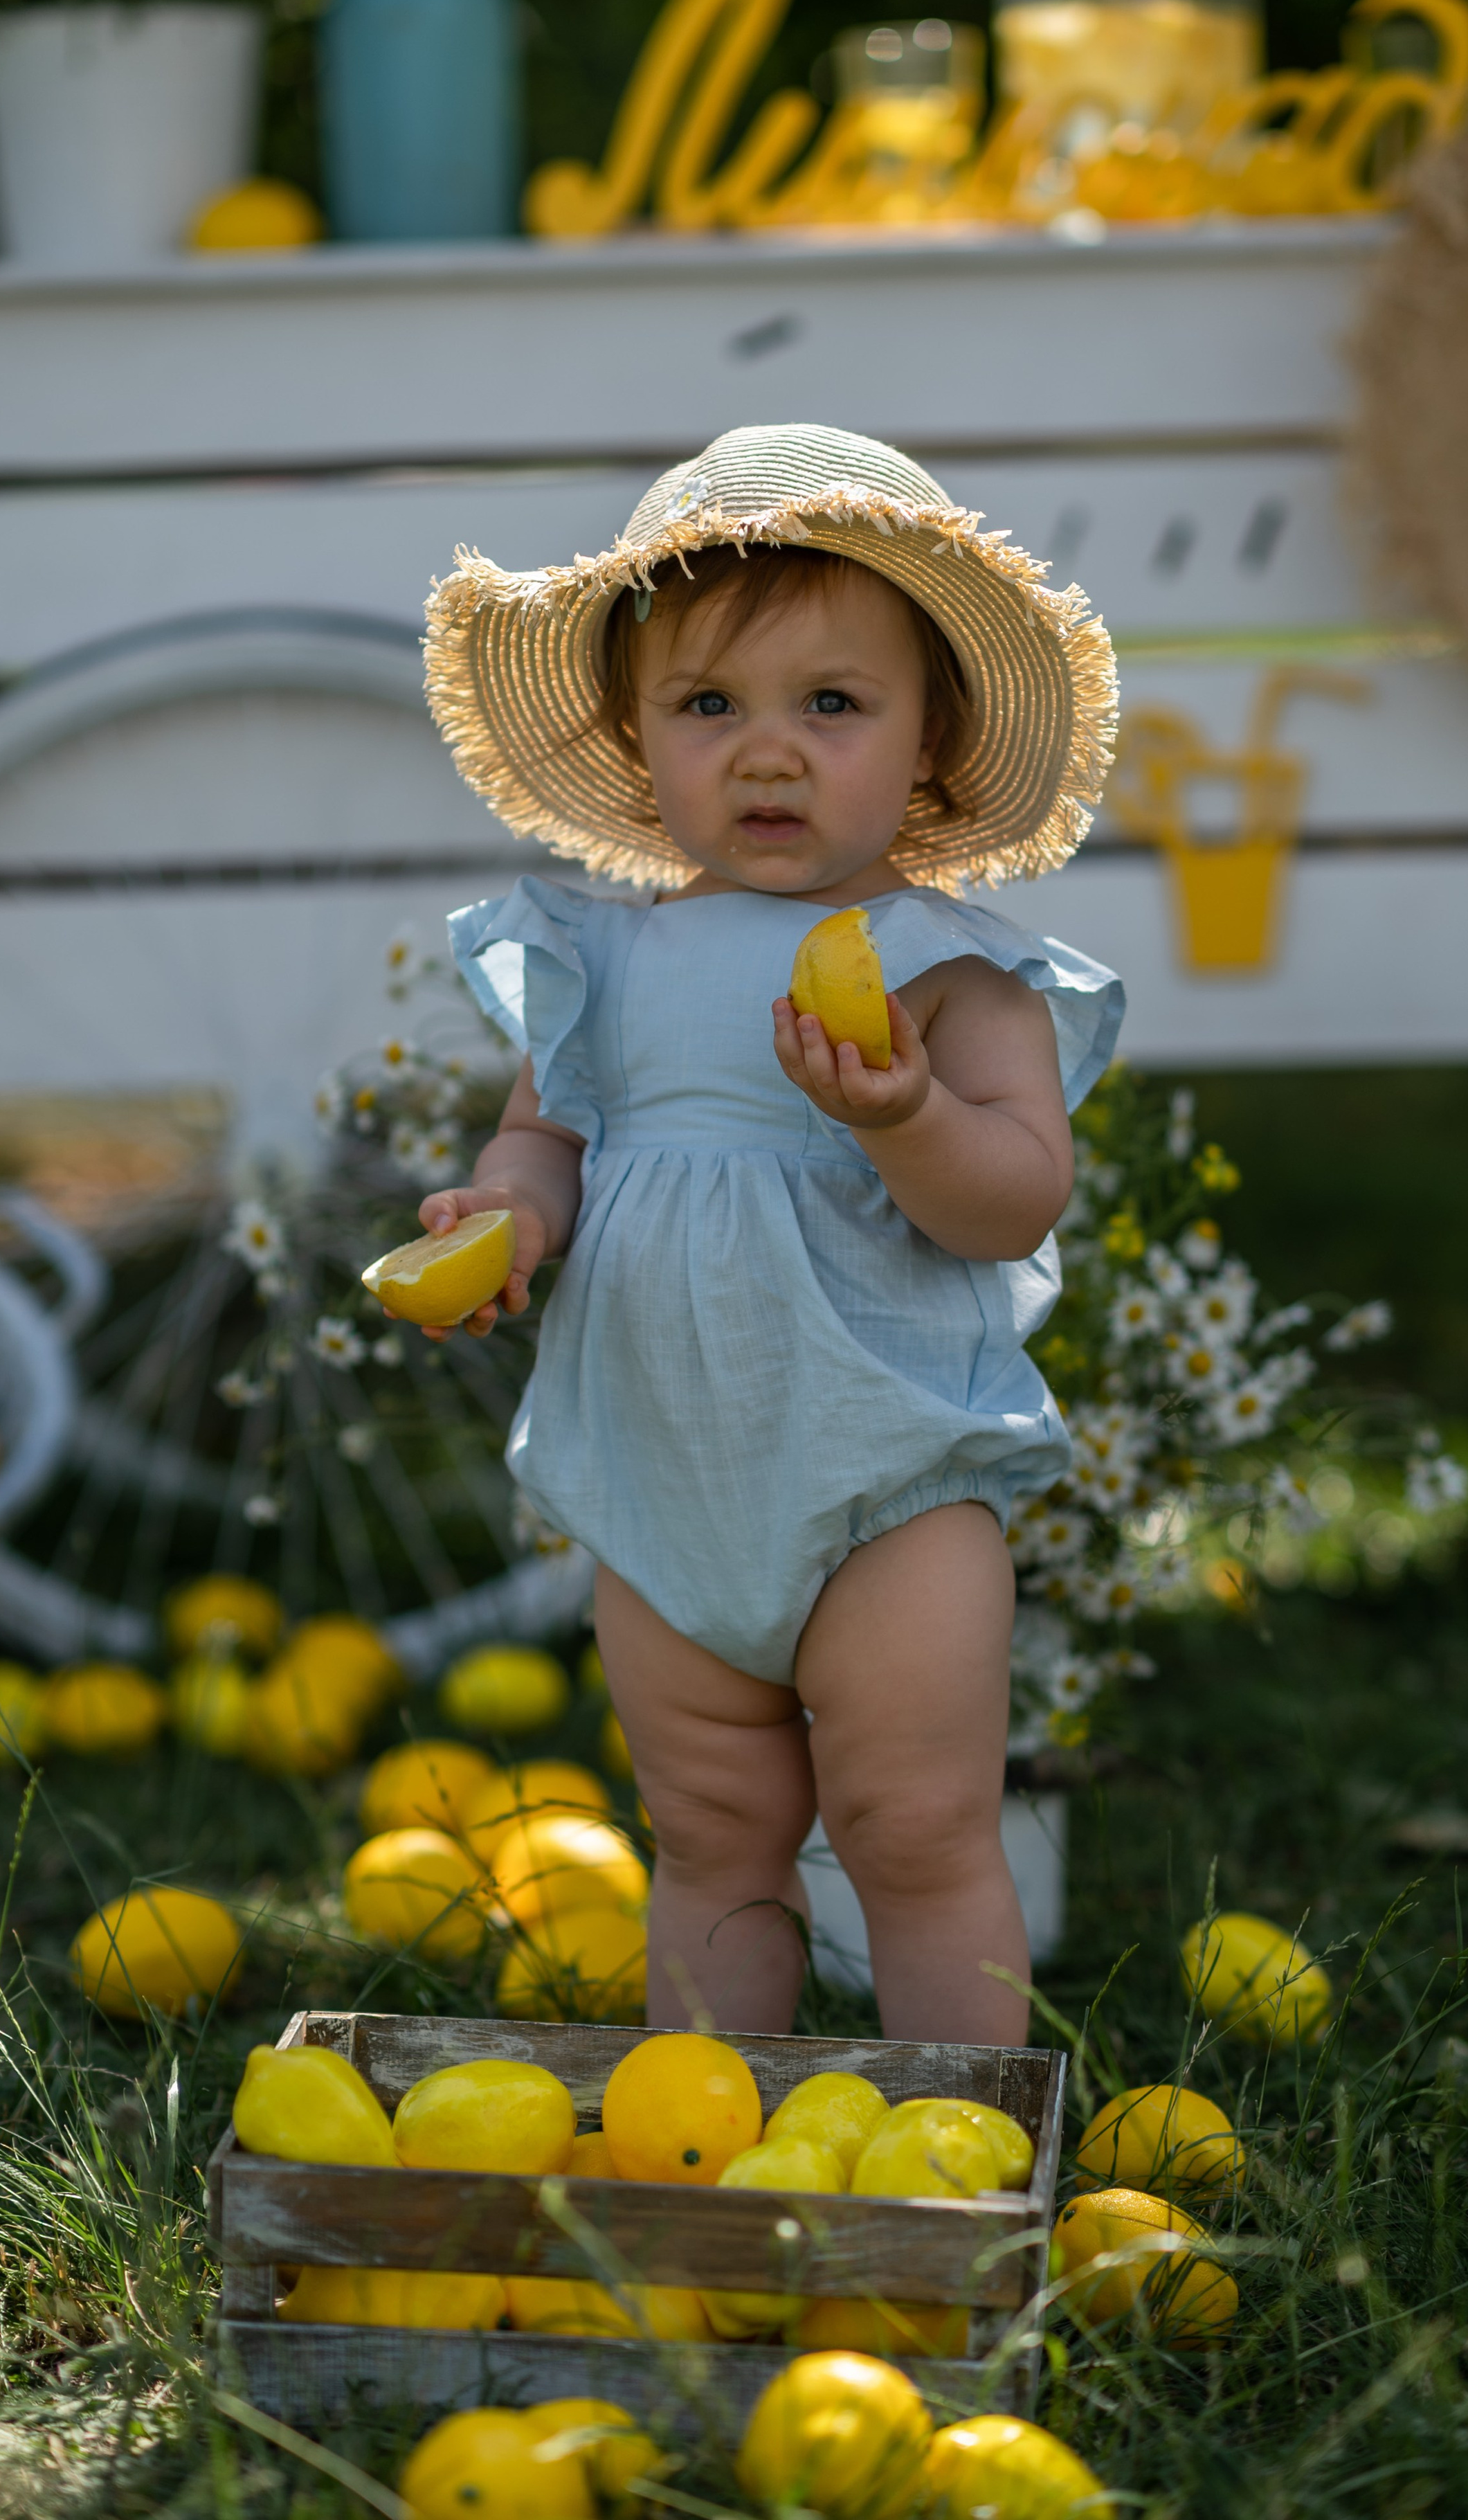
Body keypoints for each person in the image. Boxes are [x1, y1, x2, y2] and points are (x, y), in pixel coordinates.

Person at [417, 423, 1122, 2042]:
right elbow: (547, 1135)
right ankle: (706, 2123)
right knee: (710, 1830)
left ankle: (955, 2140)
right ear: (635, 732)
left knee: (911, 1824)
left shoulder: (945, 971)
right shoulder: (601, 959)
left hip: (884, 1479)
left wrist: (906, 1114)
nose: (767, 754)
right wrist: (505, 1213)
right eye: (707, 706)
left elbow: (1016, 1193)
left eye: (831, 704)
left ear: (931, 734)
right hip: (667, 1485)